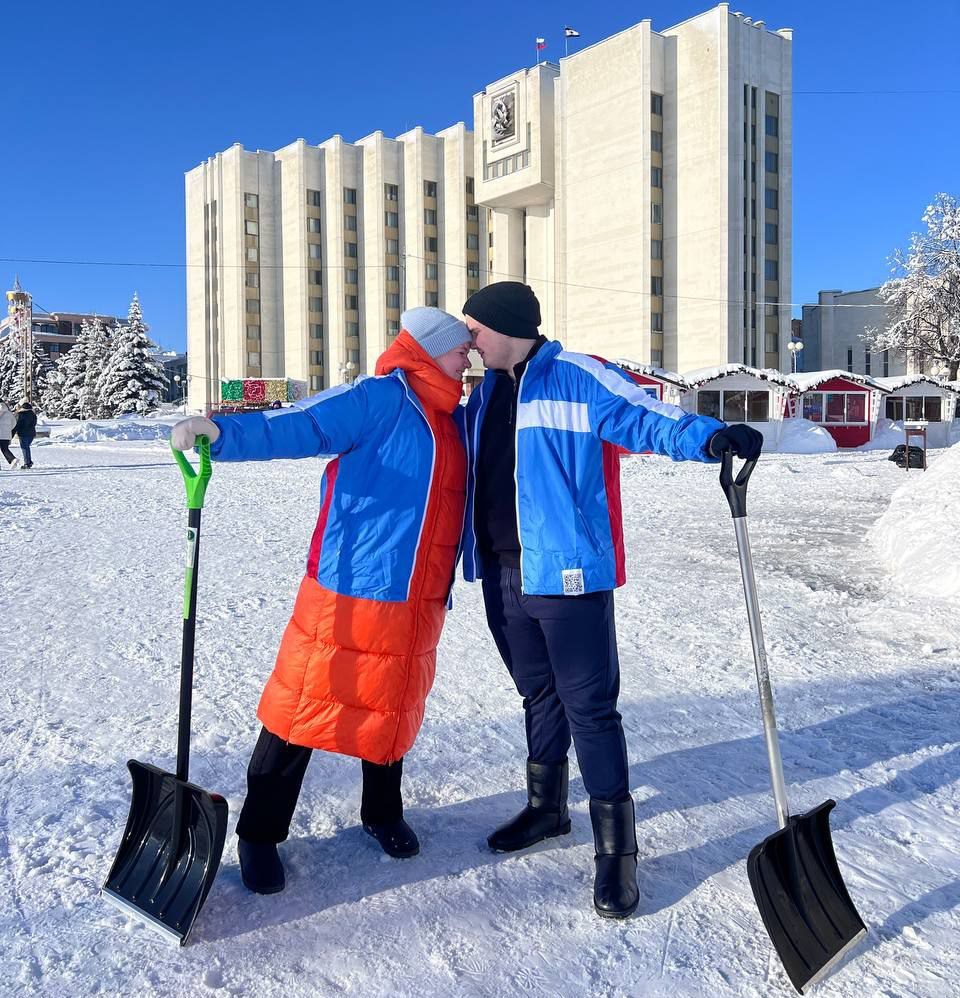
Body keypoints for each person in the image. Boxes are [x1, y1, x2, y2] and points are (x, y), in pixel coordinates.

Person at [460, 281, 763, 919]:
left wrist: (711, 437)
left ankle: (616, 853)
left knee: (590, 709)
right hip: (503, 572)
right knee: (536, 693)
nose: (470, 339)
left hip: (568, 573)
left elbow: (643, 415)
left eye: (476, 328)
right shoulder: (482, 393)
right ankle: (547, 809)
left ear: (508, 326)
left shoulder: (576, 375)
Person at [170, 307, 472, 894]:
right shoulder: (383, 396)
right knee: (302, 705)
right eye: (461, 349)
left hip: (419, 594)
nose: (468, 358)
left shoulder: (452, 415)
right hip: (351, 583)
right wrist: (222, 433)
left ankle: (381, 813)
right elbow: (304, 424)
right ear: (432, 349)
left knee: (391, 704)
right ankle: (259, 834)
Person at [13, 401, 37, 469]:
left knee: (24, 448)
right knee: (26, 447)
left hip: (23, 433)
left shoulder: (20, 414)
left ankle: (27, 463)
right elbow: (34, 424)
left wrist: (12, 434)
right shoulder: (33, 414)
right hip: (32, 434)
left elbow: (16, 425)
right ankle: (28, 461)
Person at [0, 402, 18, 468]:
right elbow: (14, 424)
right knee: (5, 449)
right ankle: (13, 459)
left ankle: (12, 459)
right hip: (6, 435)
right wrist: (8, 430)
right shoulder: (10, 414)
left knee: (4, 449)